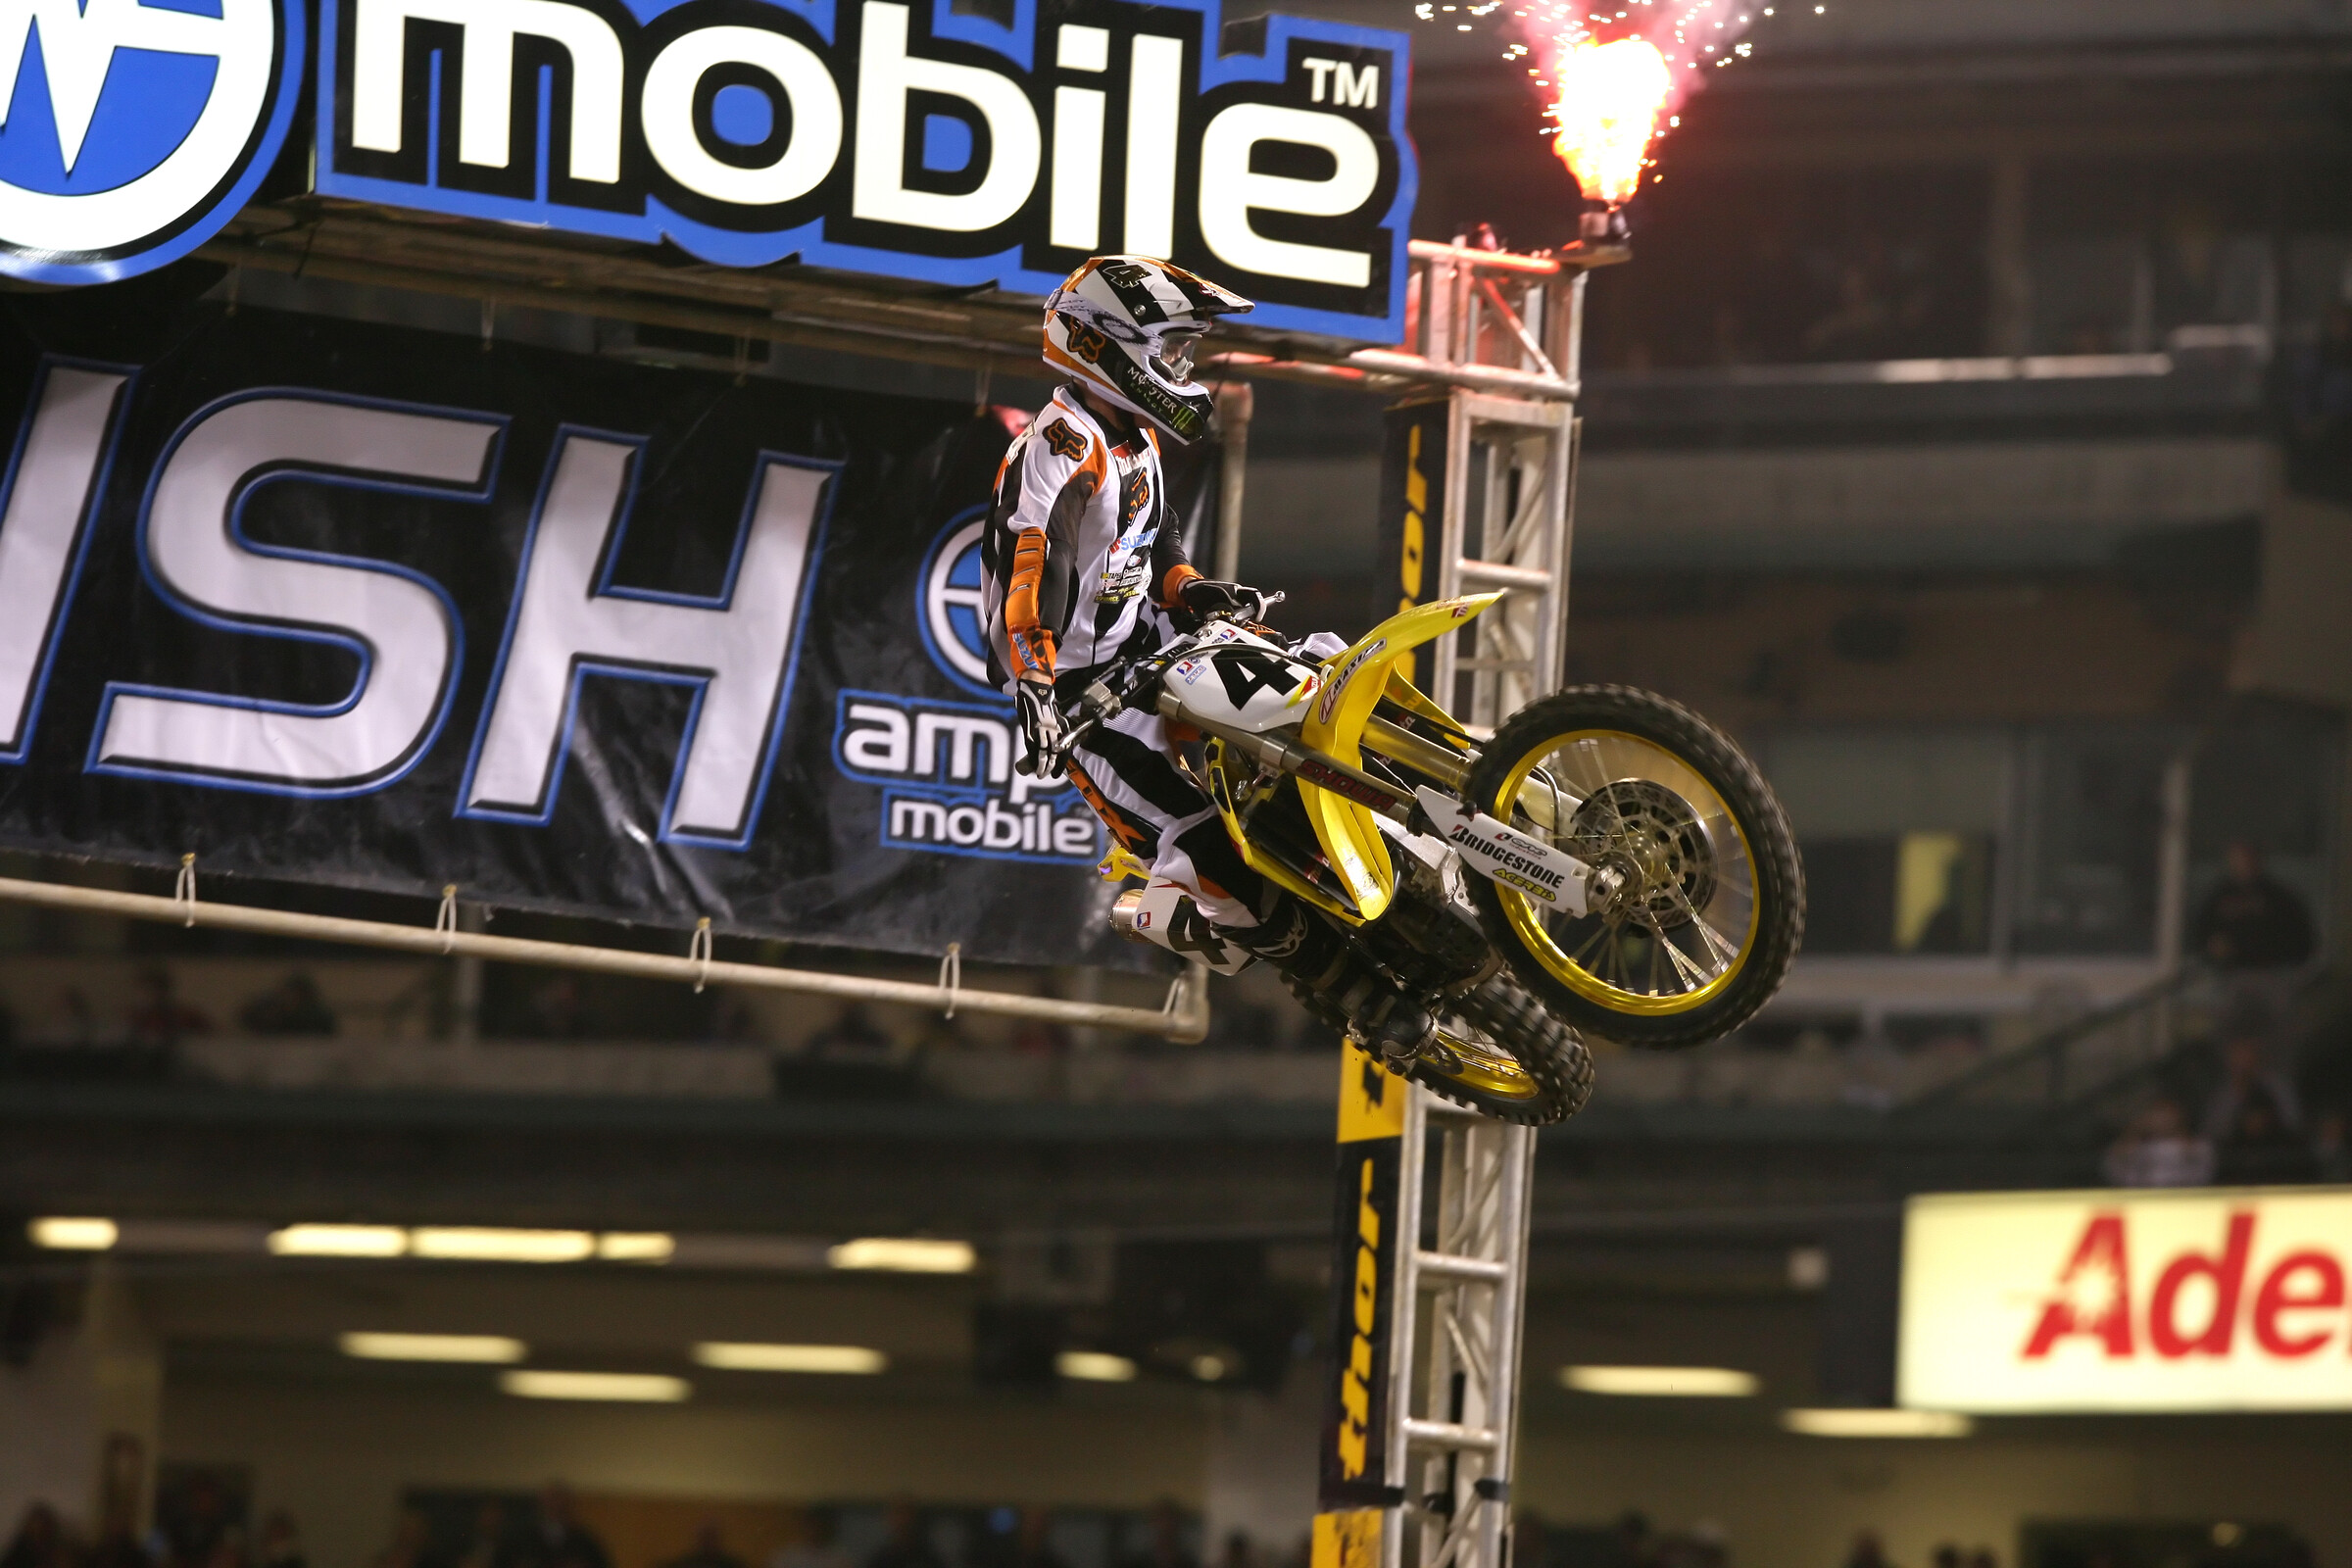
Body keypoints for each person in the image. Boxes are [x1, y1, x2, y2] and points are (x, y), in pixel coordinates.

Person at [981, 255, 1434, 1060]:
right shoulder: (1058, 444)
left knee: (1315, 677)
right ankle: (1362, 998)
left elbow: (1159, 545)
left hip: (1154, 645)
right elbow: (1034, 569)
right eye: (1172, 349)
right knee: (1202, 844)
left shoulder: (1135, 436)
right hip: (1086, 694)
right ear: (1108, 345)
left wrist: (1192, 591)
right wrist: (1040, 685)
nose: (1181, 367)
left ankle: (1437, 796)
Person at [2191, 843, 2316, 972]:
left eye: (2248, 858)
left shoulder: (2281, 898)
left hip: (2275, 974)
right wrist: (2212, 948)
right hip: (2225, 975)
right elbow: (2201, 937)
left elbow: (2302, 943)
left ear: (2259, 860)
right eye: (2237, 859)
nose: (2244, 864)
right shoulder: (2216, 897)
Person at [2103, 1095, 2215, 1187]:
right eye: (2157, 1113)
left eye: (2167, 1114)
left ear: (2178, 1116)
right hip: (2145, 1202)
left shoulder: (2196, 1145)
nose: (2162, 1119)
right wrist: (2134, 1130)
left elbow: (2203, 1172)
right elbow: (2114, 1170)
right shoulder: (2137, 1147)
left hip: (2183, 1202)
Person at [239, 974, 338, 1036]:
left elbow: (326, 1030)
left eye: (296, 994)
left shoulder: (317, 1015)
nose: (291, 997)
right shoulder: (273, 1010)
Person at [863, 1505, 943, 1568]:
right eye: (897, 1514)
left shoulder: (927, 1558)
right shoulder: (881, 1559)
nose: (902, 1521)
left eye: (905, 1515)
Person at [2, 1504, 72, 1568]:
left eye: (43, 1526)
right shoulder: (19, 1549)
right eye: (36, 1525)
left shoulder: (58, 1549)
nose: (38, 1529)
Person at [662, 1526, 746, 1568]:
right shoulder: (683, 1563)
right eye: (705, 1537)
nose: (708, 1541)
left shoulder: (732, 1564)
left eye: (712, 1537)